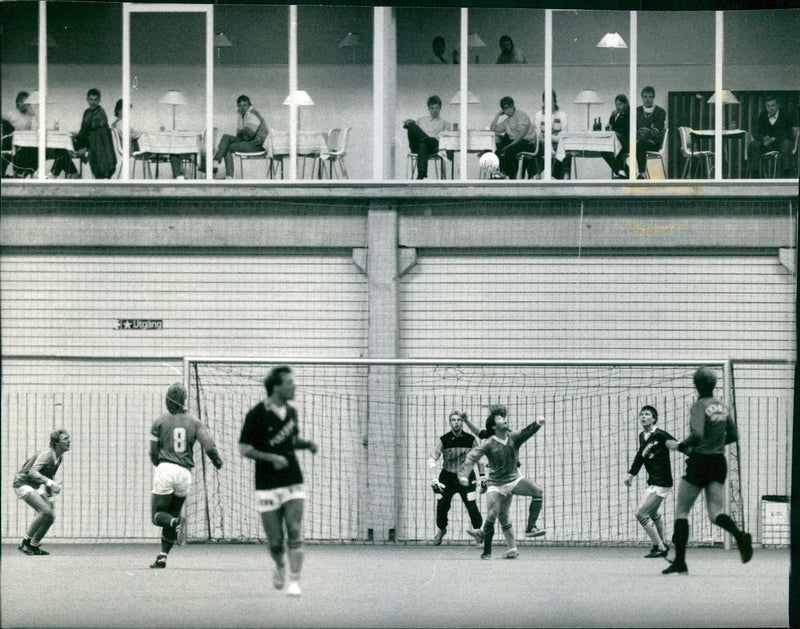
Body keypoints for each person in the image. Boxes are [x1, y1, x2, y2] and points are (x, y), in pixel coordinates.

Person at [662, 367, 753, 575]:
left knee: (682, 512)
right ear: (713, 384)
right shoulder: (722, 407)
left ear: (696, 384)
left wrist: (680, 446)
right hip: (718, 462)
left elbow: (697, 433)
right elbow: (734, 435)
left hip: (699, 462)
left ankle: (681, 562)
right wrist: (717, 443)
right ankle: (740, 536)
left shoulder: (698, 406)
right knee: (715, 513)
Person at [239, 366, 319, 597]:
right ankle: (280, 565)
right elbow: (244, 448)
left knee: (294, 529)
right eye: (290, 383)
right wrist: (271, 458)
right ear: (277, 387)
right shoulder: (256, 414)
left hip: (293, 479)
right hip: (266, 483)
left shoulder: (292, 412)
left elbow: (291, 441)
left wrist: (306, 445)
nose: (294, 387)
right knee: (275, 542)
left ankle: (294, 581)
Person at [149, 382, 222, 569]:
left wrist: (159, 464)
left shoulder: (159, 421)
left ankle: (175, 522)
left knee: (158, 515)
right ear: (184, 400)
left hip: (165, 469)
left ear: (168, 399)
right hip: (184, 473)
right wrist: (217, 462)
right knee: (172, 511)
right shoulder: (195, 422)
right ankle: (162, 556)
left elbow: (152, 452)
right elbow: (209, 446)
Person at [458, 405, 546, 560]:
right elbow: (473, 453)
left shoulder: (512, 436)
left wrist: (537, 424)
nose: (504, 419)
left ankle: (530, 529)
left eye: (504, 417)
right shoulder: (489, 441)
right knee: (494, 515)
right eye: (500, 417)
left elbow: (526, 432)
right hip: (496, 484)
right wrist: (464, 474)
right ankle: (487, 550)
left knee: (537, 491)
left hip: (514, 479)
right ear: (493, 424)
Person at [623, 405, 674, 558]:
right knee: (652, 512)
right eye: (641, 415)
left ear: (654, 419)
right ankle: (661, 543)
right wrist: (631, 474)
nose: (643, 417)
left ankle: (660, 547)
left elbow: (678, 445)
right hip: (653, 481)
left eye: (647, 414)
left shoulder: (661, 435)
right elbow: (640, 457)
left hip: (662, 482)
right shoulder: (642, 436)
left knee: (640, 513)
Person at [429, 410, 485, 545]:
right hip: (447, 477)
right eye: (453, 420)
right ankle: (441, 530)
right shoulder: (443, 440)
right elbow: (432, 459)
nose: (456, 423)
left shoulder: (471, 439)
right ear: (450, 422)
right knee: (442, 505)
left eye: (459, 420)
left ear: (462, 423)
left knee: (472, 505)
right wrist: (433, 478)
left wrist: (482, 477)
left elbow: (479, 460)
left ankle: (478, 533)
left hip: (467, 477)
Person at [12, 428, 71, 555]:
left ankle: (34, 545)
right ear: (56, 443)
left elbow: (49, 477)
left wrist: (50, 498)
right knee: (44, 510)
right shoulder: (47, 454)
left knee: (50, 516)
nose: (69, 441)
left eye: (68, 438)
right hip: (22, 483)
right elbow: (32, 472)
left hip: (35, 485)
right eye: (65, 439)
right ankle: (24, 543)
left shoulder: (59, 458)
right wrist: (50, 483)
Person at [2, 91, 77, 178]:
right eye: (21, 101)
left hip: (31, 144)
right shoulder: (11, 114)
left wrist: (33, 113)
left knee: (61, 150)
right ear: (17, 102)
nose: (24, 104)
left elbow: (36, 128)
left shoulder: (30, 115)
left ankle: (56, 174)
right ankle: (68, 173)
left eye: (26, 102)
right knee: (53, 151)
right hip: (20, 145)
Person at [208, 94, 268, 179]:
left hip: (257, 145)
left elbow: (248, 135)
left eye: (245, 105)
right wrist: (240, 134)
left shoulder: (253, 114)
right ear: (238, 106)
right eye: (240, 105)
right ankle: (217, 163)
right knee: (225, 137)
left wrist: (240, 135)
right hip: (248, 143)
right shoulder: (241, 115)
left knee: (227, 147)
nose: (242, 107)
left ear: (249, 105)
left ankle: (226, 173)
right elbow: (241, 134)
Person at [404, 95, 452, 180]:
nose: (434, 110)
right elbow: (414, 134)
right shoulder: (421, 120)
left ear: (440, 108)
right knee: (411, 125)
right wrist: (409, 124)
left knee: (423, 145)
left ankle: (421, 174)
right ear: (429, 109)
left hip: (433, 148)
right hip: (417, 147)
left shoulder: (445, 123)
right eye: (432, 108)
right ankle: (427, 140)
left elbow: (445, 141)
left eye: (436, 108)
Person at [747, 95, 795, 178]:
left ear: (777, 105)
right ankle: (755, 174)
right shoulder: (763, 115)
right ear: (765, 107)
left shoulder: (785, 115)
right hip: (767, 144)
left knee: (787, 144)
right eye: (768, 106)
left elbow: (789, 134)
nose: (771, 108)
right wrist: (763, 139)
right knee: (754, 145)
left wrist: (774, 139)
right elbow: (757, 132)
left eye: (773, 105)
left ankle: (787, 174)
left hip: (781, 143)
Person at [72, 88, 116, 179]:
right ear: (87, 99)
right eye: (91, 99)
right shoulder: (87, 112)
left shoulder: (100, 113)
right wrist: (76, 136)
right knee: (63, 148)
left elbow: (96, 133)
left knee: (65, 149)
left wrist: (85, 146)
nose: (93, 102)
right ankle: (72, 172)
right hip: (87, 141)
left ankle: (72, 172)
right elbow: (84, 129)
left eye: (95, 100)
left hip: (95, 144)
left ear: (99, 100)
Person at [490, 96, 538, 179]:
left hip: (527, 142)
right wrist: (497, 115)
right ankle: (502, 174)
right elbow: (493, 129)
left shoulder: (521, 115)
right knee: (498, 152)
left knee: (509, 150)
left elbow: (521, 135)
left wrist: (509, 146)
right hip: (516, 144)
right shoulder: (507, 121)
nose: (506, 111)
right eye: (504, 109)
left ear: (512, 106)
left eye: (508, 108)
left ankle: (512, 177)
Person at [533, 90, 571, 179]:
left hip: (558, 142)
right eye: (547, 101)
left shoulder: (562, 115)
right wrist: (546, 140)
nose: (549, 104)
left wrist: (549, 137)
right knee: (542, 143)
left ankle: (561, 175)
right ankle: (544, 174)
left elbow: (564, 135)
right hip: (543, 144)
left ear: (555, 101)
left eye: (551, 101)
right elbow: (538, 135)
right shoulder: (538, 115)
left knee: (565, 147)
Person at [635, 86, 666, 178]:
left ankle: (641, 173)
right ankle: (625, 173)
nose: (647, 99)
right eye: (645, 97)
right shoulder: (637, 111)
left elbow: (656, 130)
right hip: (639, 141)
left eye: (650, 97)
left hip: (654, 143)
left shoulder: (660, 111)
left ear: (653, 98)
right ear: (642, 97)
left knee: (640, 145)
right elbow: (634, 129)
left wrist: (642, 132)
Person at [601, 93, 631, 178]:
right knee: (604, 151)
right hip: (617, 140)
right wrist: (612, 117)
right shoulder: (616, 114)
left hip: (627, 141)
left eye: (620, 104)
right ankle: (622, 171)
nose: (618, 107)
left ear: (626, 104)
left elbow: (627, 127)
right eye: (616, 104)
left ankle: (623, 172)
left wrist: (617, 132)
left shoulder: (629, 114)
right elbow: (611, 127)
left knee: (612, 148)